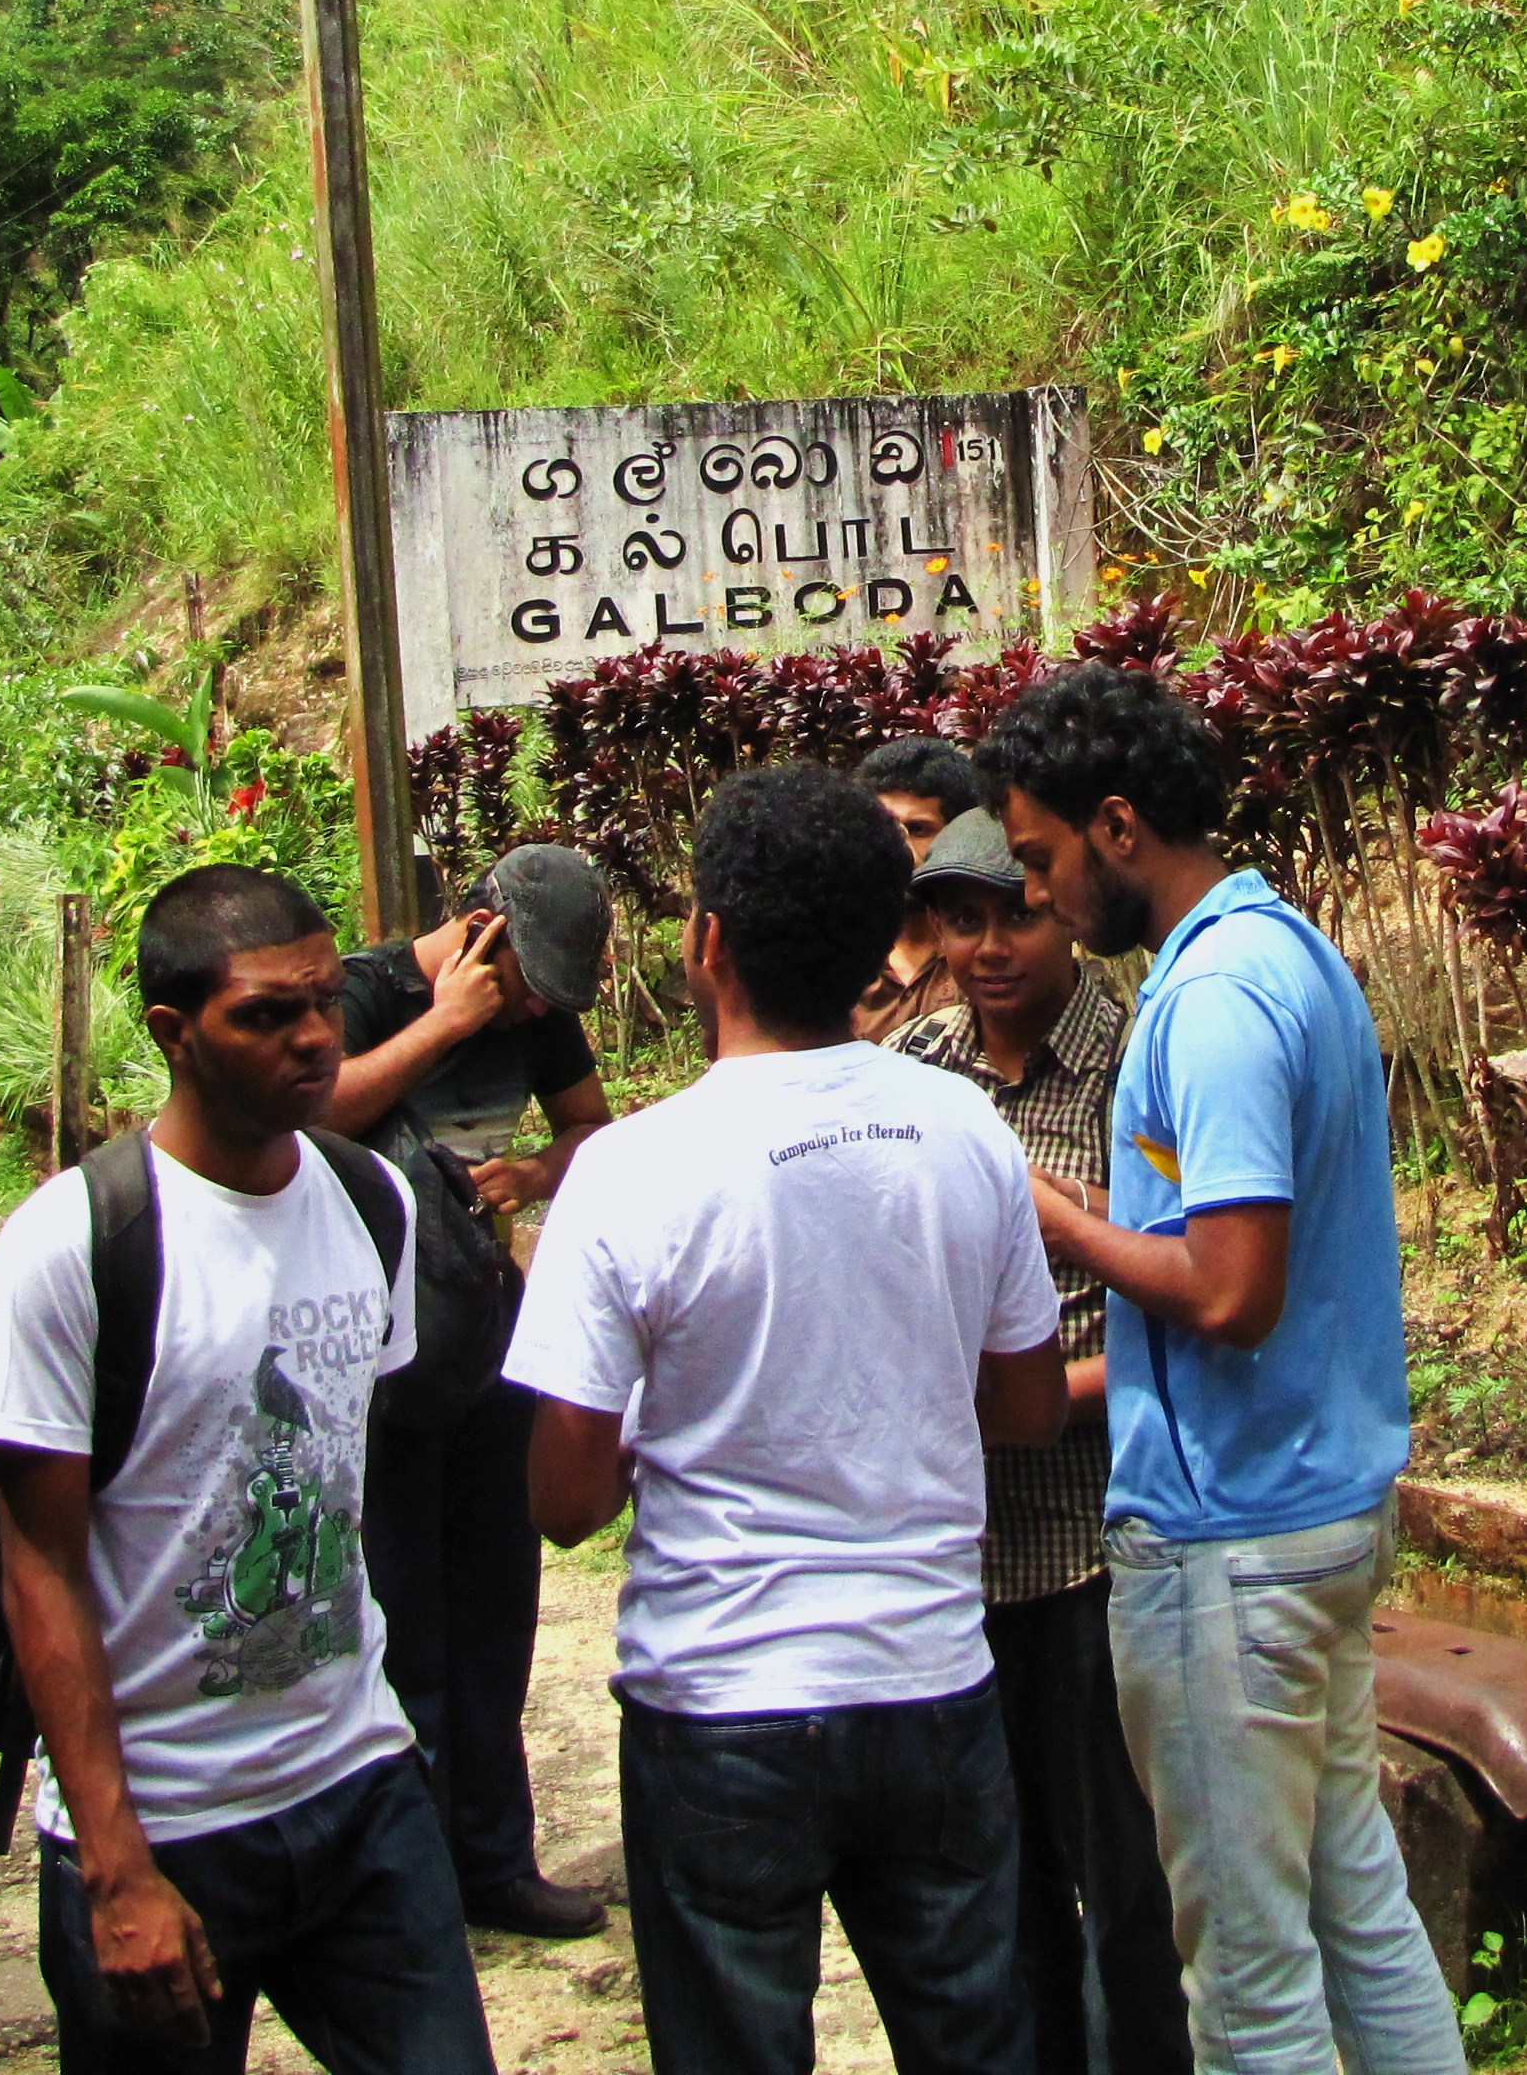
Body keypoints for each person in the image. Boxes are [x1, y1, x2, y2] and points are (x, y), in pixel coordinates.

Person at [505, 765, 1068, 2075]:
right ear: (884, 940)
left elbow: (566, 1504)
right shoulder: (966, 1130)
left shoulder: (627, 1173)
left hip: (720, 1702)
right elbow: (1030, 1405)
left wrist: (667, 1416)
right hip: (931, 1679)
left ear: (709, 944)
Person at [979, 665, 1464, 2075]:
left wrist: (1054, 1214)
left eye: (1041, 859)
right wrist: (1100, 1212)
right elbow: (1223, 1235)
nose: (1038, 893)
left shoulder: (1213, 1002)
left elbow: (1236, 1292)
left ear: (1118, 826)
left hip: (1231, 1539)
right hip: (1315, 1511)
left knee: (1249, 1979)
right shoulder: (1282, 949)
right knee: (1354, 1902)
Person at [0, 863, 495, 2075]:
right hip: (165, 1819)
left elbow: (347, 1470)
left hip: (358, 1783)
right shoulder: (76, 1246)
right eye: (266, 1013)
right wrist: (116, 1870)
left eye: (323, 1001)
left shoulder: (372, 1201)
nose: (312, 1037)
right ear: (175, 1032)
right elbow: (40, 1567)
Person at [890, 809, 1190, 2075]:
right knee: (997, 1901)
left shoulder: (1133, 1063)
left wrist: (1033, 1401)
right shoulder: (911, 1073)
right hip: (953, 1569)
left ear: (1061, 914)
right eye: (963, 922)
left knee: (1127, 1893)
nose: (991, 948)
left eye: (1015, 915)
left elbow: (1186, 1298)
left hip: (1090, 1555)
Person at [323, 844, 616, 1942]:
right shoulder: (364, 992)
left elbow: (589, 1128)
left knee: (496, 1610)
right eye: (527, 984)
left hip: (485, 1332)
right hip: (372, 1356)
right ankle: (411, 1881)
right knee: (399, 1618)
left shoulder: (540, 1015)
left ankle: (494, 1862)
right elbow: (311, 1117)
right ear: (481, 928)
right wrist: (444, 1025)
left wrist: (530, 1175)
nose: (534, 1009)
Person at [854, 735, 985, 1042]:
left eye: (919, 830)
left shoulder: (986, 955)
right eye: (886, 830)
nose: (899, 848)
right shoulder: (841, 959)